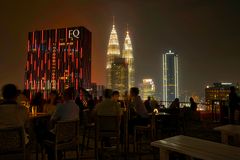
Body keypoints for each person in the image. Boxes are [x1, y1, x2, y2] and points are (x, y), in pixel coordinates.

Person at [44, 87, 80, 160]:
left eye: (63, 94)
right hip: (71, 136)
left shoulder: (61, 106)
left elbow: (52, 120)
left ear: (66, 95)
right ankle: (57, 153)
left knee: (41, 132)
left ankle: (53, 155)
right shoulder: (77, 107)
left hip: (59, 136)